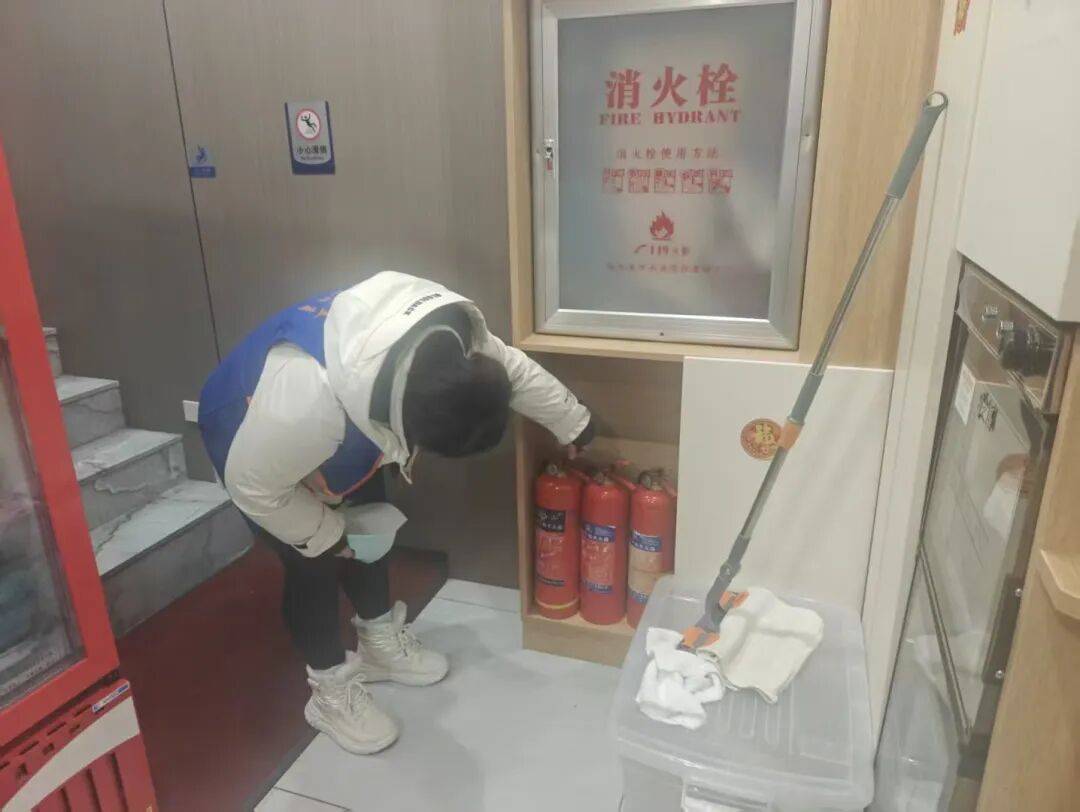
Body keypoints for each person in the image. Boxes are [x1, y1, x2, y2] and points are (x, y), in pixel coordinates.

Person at [197, 271, 593, 754]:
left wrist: (573, 421)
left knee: (370, 524)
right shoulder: (304, 408)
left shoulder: (453, 347)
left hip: (337, 411)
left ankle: (378, 644)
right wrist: (326, 532)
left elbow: (512, 369)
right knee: (312, 562)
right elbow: (254, 485)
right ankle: (329, 694)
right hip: (247, 432)